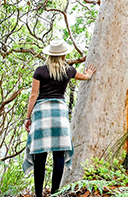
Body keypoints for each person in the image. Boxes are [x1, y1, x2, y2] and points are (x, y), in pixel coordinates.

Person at [22, 39, 96, 196]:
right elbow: (84, 77)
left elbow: (34, 95)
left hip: (41, 113)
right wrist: (89, 74)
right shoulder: (68, 70)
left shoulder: (40, 71)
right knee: (59, 154)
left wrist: (28, 117)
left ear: (49, 54)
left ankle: (38, 195)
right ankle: (55, 193)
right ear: (63, 55)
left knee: (40, 155)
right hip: (60, 114)